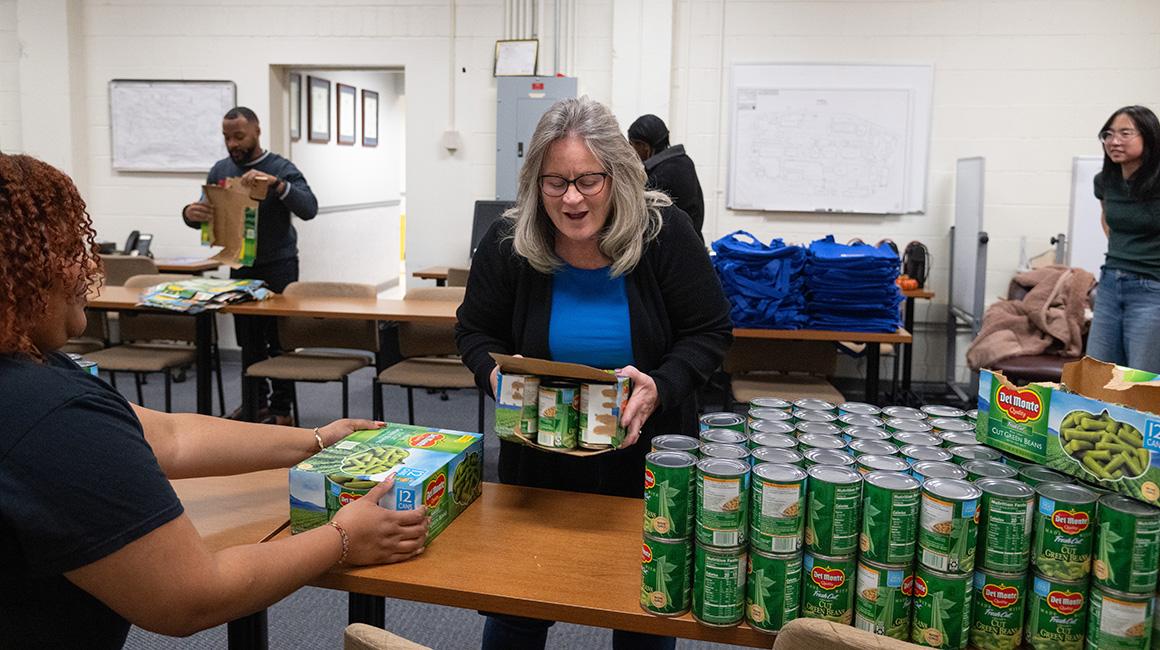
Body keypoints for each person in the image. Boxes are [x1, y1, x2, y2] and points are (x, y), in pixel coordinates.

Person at [0, 153, 426, 649]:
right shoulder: (49, 415)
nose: (91, 266)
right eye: (71, 248)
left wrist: (315, 440)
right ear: (18, 270)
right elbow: (192, 595)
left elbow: (170, 438)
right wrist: (344, 537)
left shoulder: (35, 372)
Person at [456, 97, 732, 650]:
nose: (571, 198)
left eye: (588, 180)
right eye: (554, 182)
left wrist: (661, 386)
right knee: (518, 606)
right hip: (541, 463)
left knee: (644, 612)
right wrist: (496, 376)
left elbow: (710, 332)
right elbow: (474, 332)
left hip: (648, 459)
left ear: (620, 174)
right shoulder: (510, 242)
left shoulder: (664, 233)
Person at [181, 106, 319, 425]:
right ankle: (255, 404)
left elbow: (309, 208)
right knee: (248, 341)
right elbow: (207, 216)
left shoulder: (280, 167)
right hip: (239, 264)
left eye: (239, 136)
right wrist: (190, 214)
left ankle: (282, 408)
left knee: (279, 340)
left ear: (257, 132)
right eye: (227, 138)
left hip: (279, 265)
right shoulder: (220, 170)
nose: (232, 144)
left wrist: (278, 186)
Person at [1087, 105, 1160, 373]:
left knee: (1142, 379)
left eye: (1125, 133)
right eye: (1109, 134)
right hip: (1110, 283)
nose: (1114, 141)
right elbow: (1108, 220)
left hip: (1152, 287)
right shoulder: (1105, 181)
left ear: (1149, 137)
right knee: (1098, 372)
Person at [627, 113, 705, 239]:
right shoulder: (684, 161)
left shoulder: (661, 175)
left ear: (644, 146)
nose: (631, 150)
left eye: (632, 145)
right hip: (693, 241)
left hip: (678, 248)